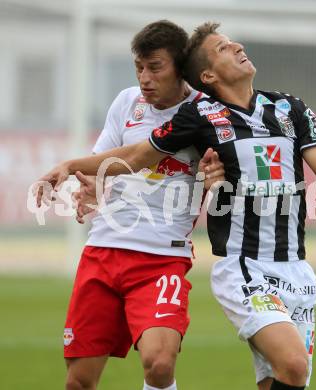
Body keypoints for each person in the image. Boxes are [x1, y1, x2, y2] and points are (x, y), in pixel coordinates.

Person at [36, 22, 316, 390]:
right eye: (223, 47)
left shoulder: (287, 106)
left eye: (155, 67)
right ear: (207, 73)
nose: (237, 46)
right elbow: (133, 156)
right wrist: (80, 172)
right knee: (293, 365)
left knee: (283, 379)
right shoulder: (196, 116)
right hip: (242, 266)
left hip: (295, 267)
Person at [41, 20, 225, 390]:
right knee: (79, 381)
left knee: (159, 363)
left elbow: (219, 175)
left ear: (180, 66)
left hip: (161, 258)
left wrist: (215, 179)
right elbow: (105, 160)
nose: (145, 78)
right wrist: (91, 186)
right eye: (139, 67)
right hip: (102, 252)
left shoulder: (207, 113)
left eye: (155, 67)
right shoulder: (126, 102)